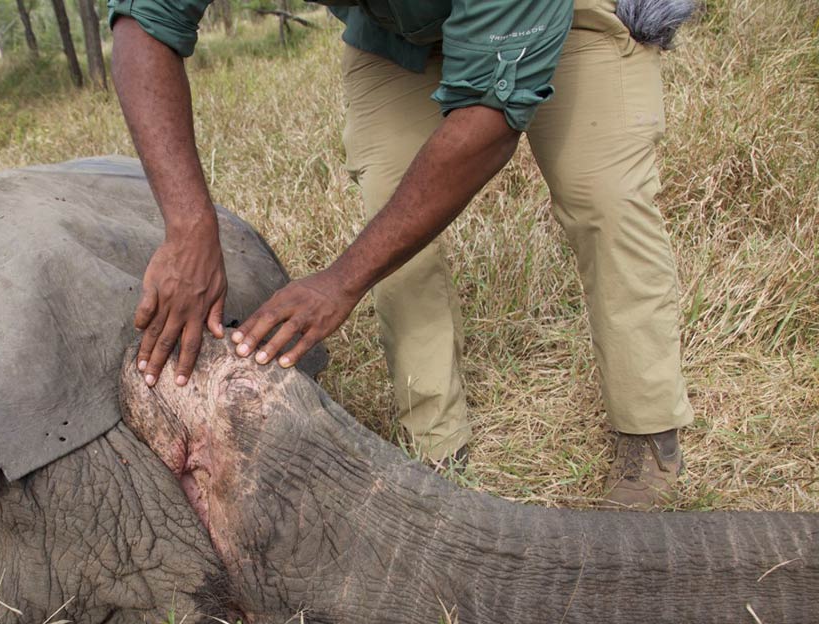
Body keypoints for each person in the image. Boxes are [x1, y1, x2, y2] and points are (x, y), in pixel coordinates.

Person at [107, 0, 695, 509]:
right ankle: (436, 452)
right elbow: (146, 20)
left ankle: (649, 436)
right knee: (392, 215)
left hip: (562, 20)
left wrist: (341, 280)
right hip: (397, 39)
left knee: (605, 199)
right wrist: (188, 227)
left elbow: (485, 124)